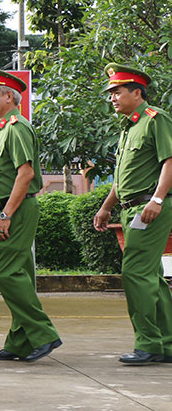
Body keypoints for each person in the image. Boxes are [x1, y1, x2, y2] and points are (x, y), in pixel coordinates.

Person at [0, 66, 62, 362]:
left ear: (10, 97)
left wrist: (7, 214)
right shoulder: (3, 129)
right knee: (21, 275)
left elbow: (25, 174)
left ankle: (44, 335)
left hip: (17, 208)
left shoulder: (16, 127)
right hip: (7, 208)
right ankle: (20, 342)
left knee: (8, 273)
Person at [93, 63, 172, 365]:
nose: (111, 97)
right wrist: (106, 206)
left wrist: (158, 199)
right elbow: (122, 177)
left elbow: (169, 161)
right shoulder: (129, 127)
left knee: (135, 273)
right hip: (131, 208)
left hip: (148, 208)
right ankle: (166, 343)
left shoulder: (156, 119)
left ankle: (148, 343)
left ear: (137, 93)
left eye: (117, 91)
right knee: (151, 276)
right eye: (110, 92)